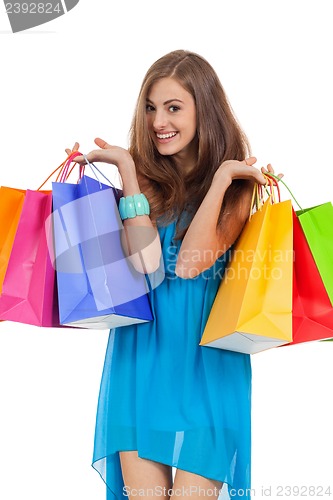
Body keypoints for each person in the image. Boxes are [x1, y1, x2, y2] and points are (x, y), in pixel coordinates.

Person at [66, 49, 280, 500]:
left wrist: (221, 178)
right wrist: (128, 170)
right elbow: (147, 265)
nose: (158, 120)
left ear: (205, 110)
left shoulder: (238, 185)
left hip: (208, 369)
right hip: (140, 362)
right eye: (150, 107)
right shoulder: (141, 180)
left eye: (173, 107)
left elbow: (188, 263)